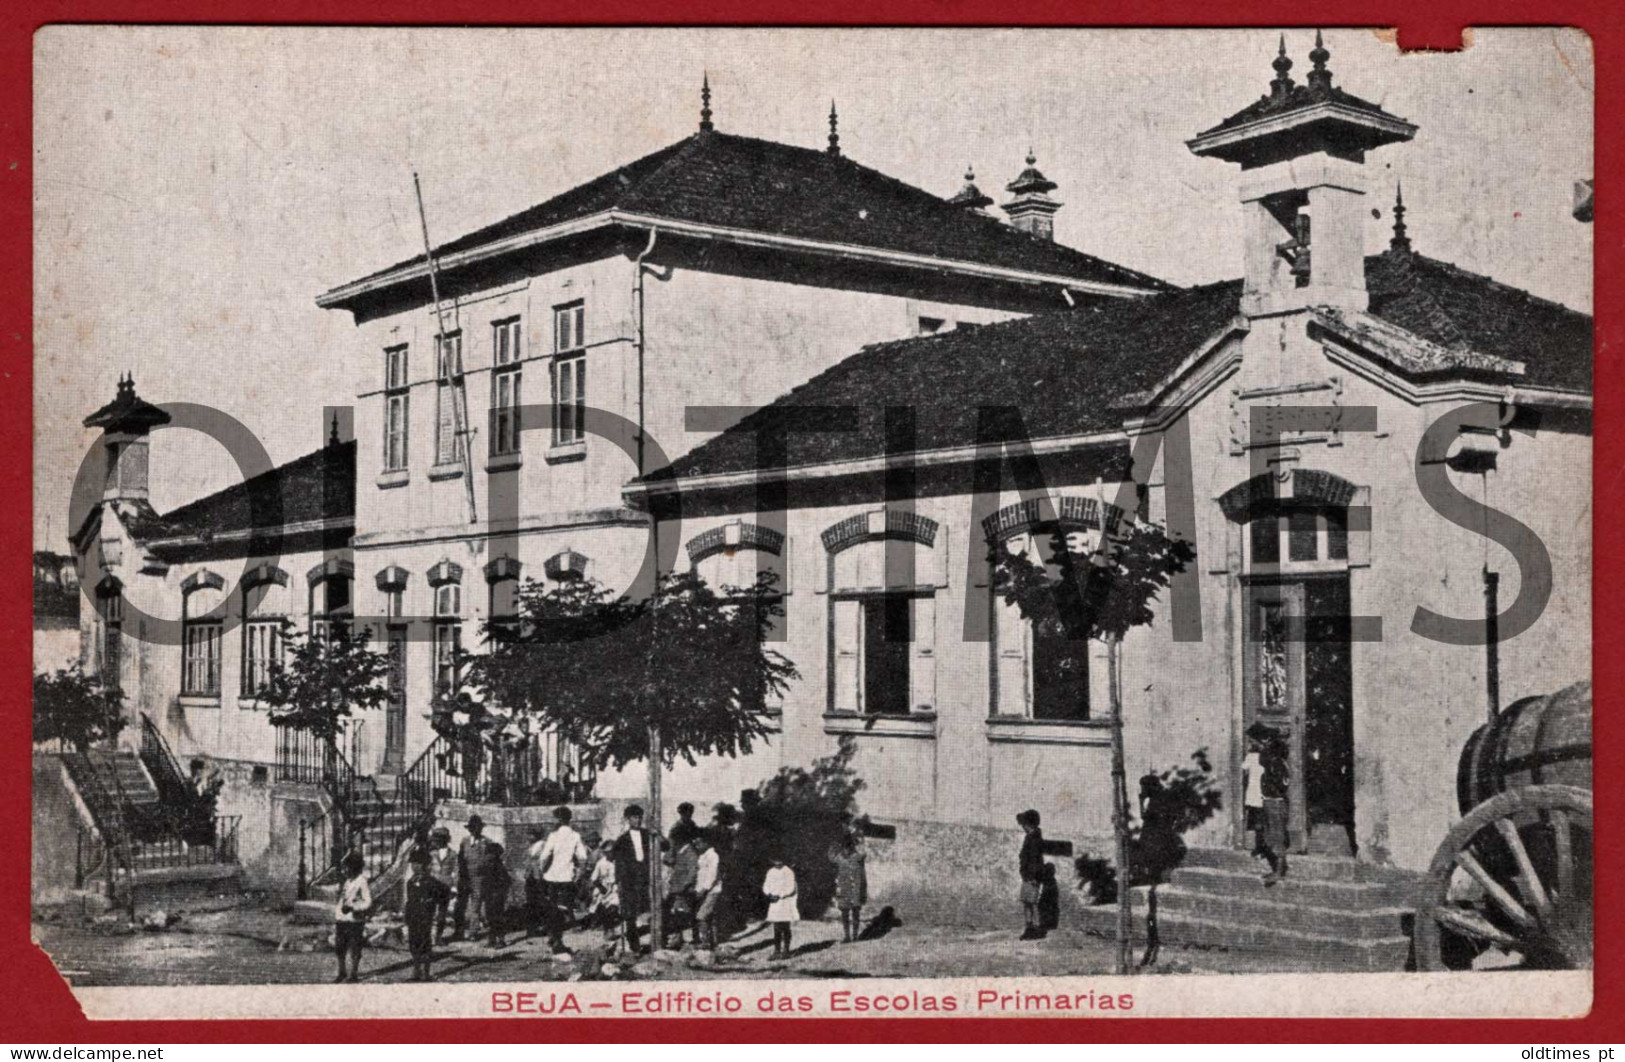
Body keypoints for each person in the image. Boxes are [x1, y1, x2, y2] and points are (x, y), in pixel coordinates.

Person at [534, 805, 589, 954]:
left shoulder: (553, 836)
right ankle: (557, 939)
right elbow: (583, 859)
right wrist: (578, 875)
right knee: (563, 909)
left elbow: (544, 857)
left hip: (551, 878)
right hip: (566, 878)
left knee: (552, 910)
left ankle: (555, 939)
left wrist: (542, 870)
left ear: (558, 819)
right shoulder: (575, 836)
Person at [1244, 722, 1291, 885]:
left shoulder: (1273, 760)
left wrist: (1273, 793)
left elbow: (1281, 782)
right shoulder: (1271, 757)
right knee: (1271, 836)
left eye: (1253, 741)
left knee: (1276, 837)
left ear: (1262, 741)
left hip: (1275, 802)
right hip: (1270, 800)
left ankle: (1279, 871)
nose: (1251, 745)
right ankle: (1278, 869)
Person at [610, 804, 654, 955]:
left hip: (646, 878)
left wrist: (657, 834)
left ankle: (653, 942)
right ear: (628, 819)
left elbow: (665, 846)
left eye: (640, 817)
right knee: (629, 913)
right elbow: (614, 858)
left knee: (649, 910)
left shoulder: (648, 834)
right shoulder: (622, 839)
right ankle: (634, 945)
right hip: (629, 880)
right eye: (635, 817)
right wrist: (619, 880)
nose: (638, 820)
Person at [402, 848, 450, 982]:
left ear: (425, 865)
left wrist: (434, 904)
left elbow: (445, 893)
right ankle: (415, 970)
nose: (414, 866)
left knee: (425, 943)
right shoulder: (410, 882)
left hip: (426, 917)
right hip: (413, 916)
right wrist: (406, 915)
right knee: (413, 943)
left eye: (418, 863)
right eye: (413, 863)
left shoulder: (431, 881)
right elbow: (409, 900)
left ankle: (426, 972)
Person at [455, 814, 498, 942]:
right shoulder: (465, 841)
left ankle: (473, 932)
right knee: (460, 904)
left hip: (479, 878)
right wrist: (461, 874)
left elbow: (491, 860)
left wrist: (483, 868)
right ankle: (459, 931)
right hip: (465, 877)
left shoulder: (487, 842)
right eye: (472, 828)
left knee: (476, 905)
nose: (474, 831)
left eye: (477, 828)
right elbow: (460, 858)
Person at [333, 851, 372, 983]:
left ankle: (353, 973)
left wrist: (354, 908)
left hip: (355, 920)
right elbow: (342, 899)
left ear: (354, 867)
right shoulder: (347, 882)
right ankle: (342, 971)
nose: (344, 871)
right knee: (340, 947)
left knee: (354, 947)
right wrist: (338, 912)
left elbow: (368, 901)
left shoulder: (362, 882)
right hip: (342, 919)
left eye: (346, 868)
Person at [828, 828, 868, 944]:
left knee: (855, 911)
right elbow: (830, 857)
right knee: (844, 912)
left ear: (851, 847)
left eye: (848, 847)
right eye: (844, 848)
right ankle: (847, 936)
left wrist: (858, 838)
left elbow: (864, 852)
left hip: (855, 888)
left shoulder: (857, 857)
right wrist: (833, 843)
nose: (846, 851)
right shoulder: (840, 858)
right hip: (844, 889)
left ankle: (855, 936)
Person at [664, 832, 700, 948]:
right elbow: (667, 860)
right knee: (676, 915)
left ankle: (687, 942)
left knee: (683, 915)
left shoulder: (690, 852)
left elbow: (693, 871)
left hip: (684, 891)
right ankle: (678, 940)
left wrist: (684, 886)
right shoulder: (679, 852)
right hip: (677, 890)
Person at [762, 853, 799, 961]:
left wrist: (780, 895)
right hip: (774, 902)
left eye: (779, 860)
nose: (777, 863)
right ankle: (777, 951)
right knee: (776, 927)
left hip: (784, 902)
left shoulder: (788, 872)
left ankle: (786, 951)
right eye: (775, 860)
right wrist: (769, 894)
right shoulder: (770, 872)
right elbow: (766, 885)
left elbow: (791, 888)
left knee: (785, 926)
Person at [424, 826, 457, 944]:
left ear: (445, 840)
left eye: (439, 839)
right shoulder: (431, 853)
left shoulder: (452, 854)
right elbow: (426, 869)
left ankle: (438, 937)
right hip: (432, 885)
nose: (436, 842)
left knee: (442, 914)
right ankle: (427, 936)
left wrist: (454, 887)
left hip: (445, 886)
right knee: (429, 911)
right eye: (435, 839)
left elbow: (456, 871)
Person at [1016, 808, 1045, 941]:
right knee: (1027, 902)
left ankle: (1036, 929)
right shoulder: (1031, 837)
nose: (1023, 827)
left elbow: (1035, 860)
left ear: (1030, 824)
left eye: (1025, 824)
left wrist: (1033, 877)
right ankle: (1030, 927)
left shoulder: (1034, 839)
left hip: (1032, 877)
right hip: (1028, 876)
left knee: (1032, 903)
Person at [587, 838, 621, 950]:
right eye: (607, 852)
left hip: (615, 888)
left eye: (612, 851)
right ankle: (607, 928)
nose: (610, 854)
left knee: (613, 907)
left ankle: (611, 929)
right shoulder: (601, 863)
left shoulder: (620, 862)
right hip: (603, 888)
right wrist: (602, 889)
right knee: (601, 908)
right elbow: (594, 879)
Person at [692, 834, 721, 950]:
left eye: (699, 843)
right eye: (696, 844)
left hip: (712, 890)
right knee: (709, 917)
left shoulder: (713, 856)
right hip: (703, 890)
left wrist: (704, 889)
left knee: (701, 916)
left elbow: (712, 875)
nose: (697, 846)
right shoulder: (702, 856)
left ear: (706, 842)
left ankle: (705, 942)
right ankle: (713, 943)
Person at [523, 824, 551, 939]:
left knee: (541, 901)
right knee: (531, 902)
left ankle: (545, 926)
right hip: (531, 876)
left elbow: (545, 860)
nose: (529, 837)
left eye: (531, 834)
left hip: (540, 876)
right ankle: (533, 928)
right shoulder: (531, 846)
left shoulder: (543, 845)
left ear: (537, 835)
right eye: (529, 834)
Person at [482, 842, 512, 947]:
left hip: (497, 895)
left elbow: (506, 882)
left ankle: (501, 940)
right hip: (489, 894)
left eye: (491, 854)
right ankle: (492, 939)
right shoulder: (487, 864)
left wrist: (500, 893)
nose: (488, 856)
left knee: (498, 917)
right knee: (490, 917)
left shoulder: (499, 867)